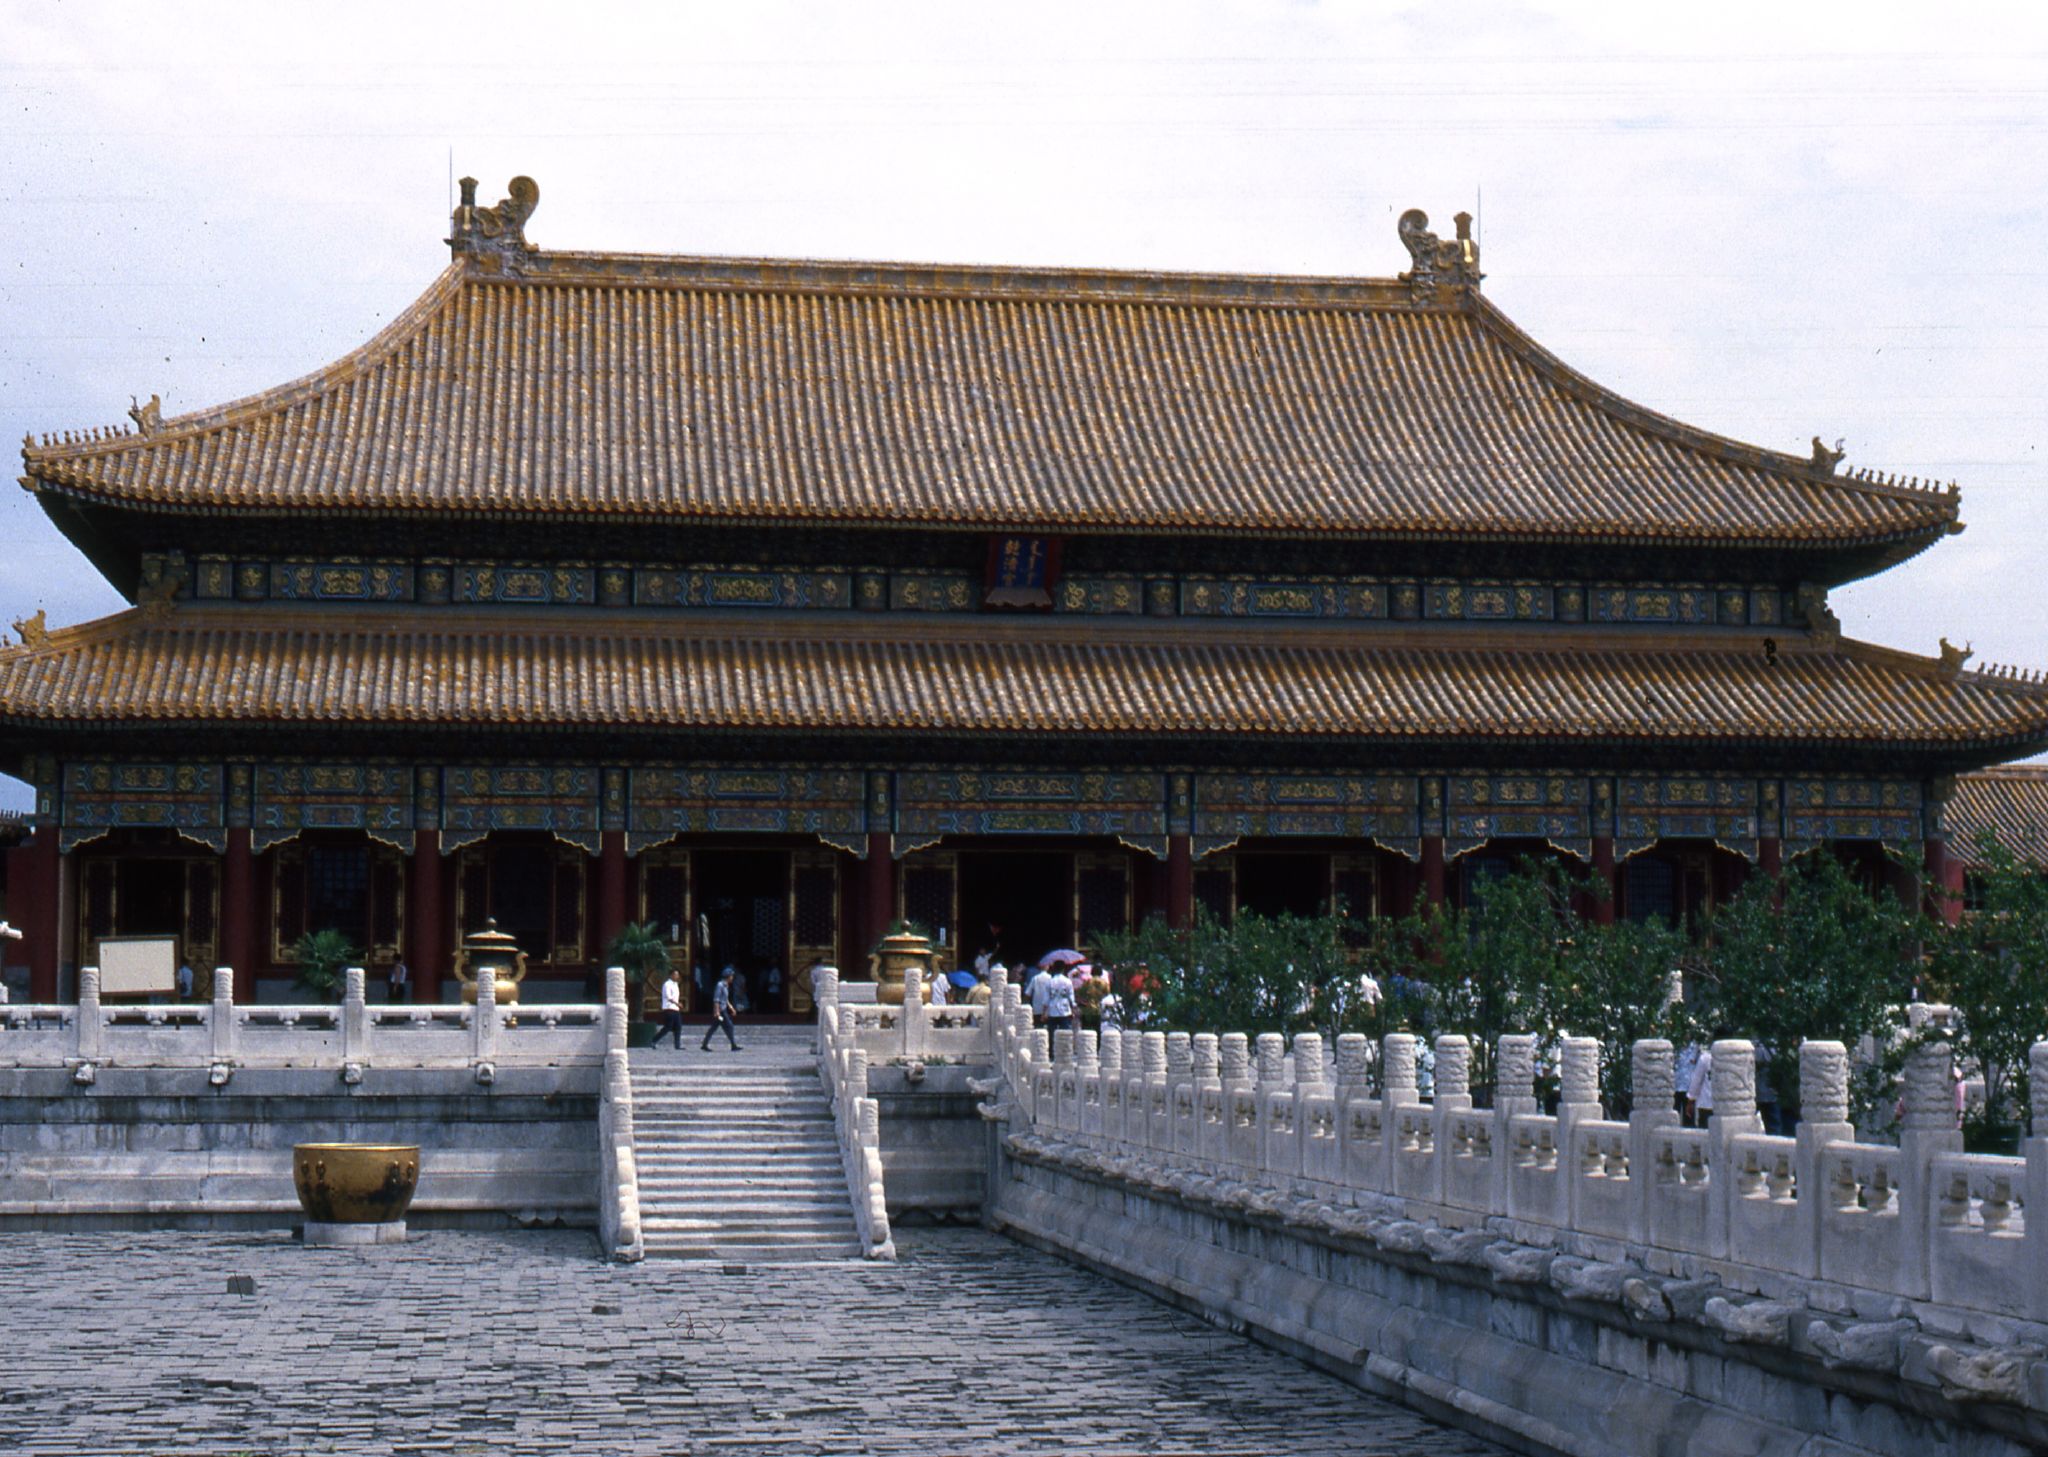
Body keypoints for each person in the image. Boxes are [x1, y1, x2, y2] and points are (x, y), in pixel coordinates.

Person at [702, 967, 742, 1051]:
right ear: (728, 976)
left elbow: (725, 999)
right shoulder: (720, 985)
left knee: (714, 1027)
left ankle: (704, 1044)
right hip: (721, 1011)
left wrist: (731, 1007)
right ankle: (733, 1045)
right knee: (729, 1026)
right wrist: (716, 1011)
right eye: (731, 976)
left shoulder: (726, 986)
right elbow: (716, 999)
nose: (732, 977)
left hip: (723, 1010)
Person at [651, 969, 685, 1050]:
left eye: (678, 975)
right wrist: (677, 1004)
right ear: (671, 975)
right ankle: (654, 1040)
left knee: (678, 1027)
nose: (677, 976)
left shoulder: (676, 984)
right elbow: (669, 997)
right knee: (668, 1027)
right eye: (675, 974)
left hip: (675, 1009)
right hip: (669, 1008)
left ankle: (677, 1045)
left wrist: (677, 1005)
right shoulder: (667, 984)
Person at [1042, 962, 1076, 1033]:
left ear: (1054, 969)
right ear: (1063, 969)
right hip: (1065, 1011)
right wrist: (1073, 1010)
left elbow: (1046, 999)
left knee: (1052, 1033)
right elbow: (1071, 997)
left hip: (1052, 1011)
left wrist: (1044, 1013)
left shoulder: (1049, 982)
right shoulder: (1067, 981)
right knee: (1065, 1033)